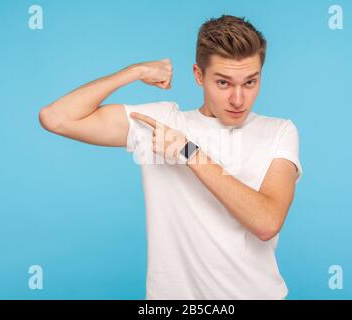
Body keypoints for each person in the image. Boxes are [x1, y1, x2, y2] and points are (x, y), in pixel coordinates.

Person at [38, 14, 303, 300]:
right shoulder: (161, 122)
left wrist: (188, 152)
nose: (238, 100)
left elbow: (266, 222)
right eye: (224, 83)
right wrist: (134, 72)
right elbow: (56, 118)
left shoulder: (279, 131)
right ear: (198, 75)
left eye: (250, 83)